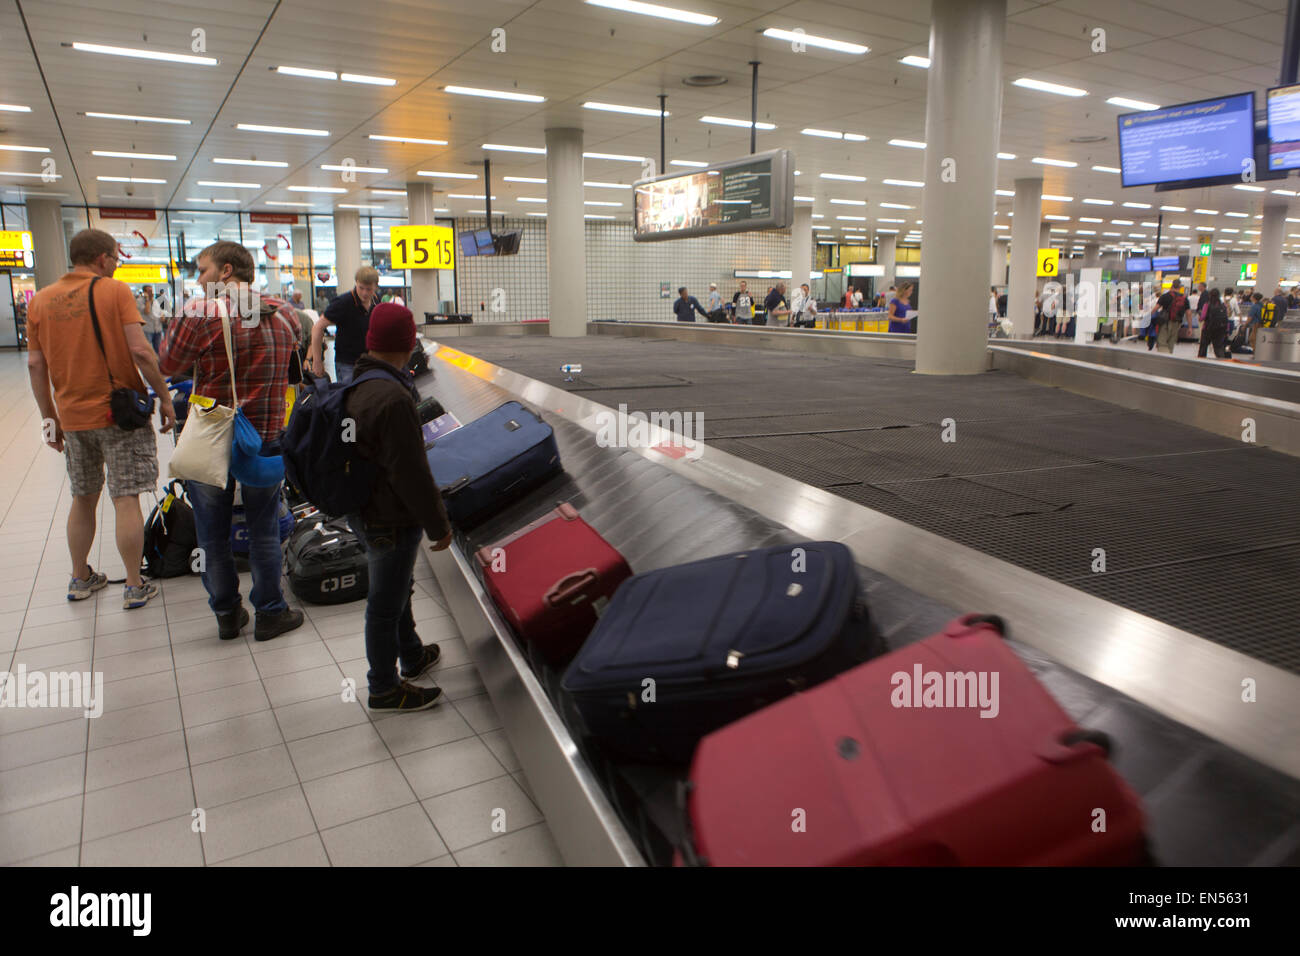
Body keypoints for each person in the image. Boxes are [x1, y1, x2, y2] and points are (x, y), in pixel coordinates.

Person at [159, 241, 304, 642]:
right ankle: (271, 612)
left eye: (202, 271)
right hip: (267, 438)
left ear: (225, 271)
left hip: (211, 436)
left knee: (212, 534)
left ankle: (227, 614)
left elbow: (167, 364)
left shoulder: (199, 312)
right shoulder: (286, 313)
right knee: (264, 530)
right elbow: (294, 368)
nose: (197, 279)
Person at [25, 228, 176, 609]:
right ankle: (133, 584)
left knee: (83, 498)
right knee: (125, 498)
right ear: (102, 258)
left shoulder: (40, 301)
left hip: (73, 418)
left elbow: (34, 363)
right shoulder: (114, 291)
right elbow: (141, 351)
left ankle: (80, 577)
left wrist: (49, 418)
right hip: (119, 414)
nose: (117, 265)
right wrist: (164, 397)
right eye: (115, 259)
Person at [340, 303, 454, 711]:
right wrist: (438, 525)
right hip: (387, 516)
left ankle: (412, 654)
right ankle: (384, 687)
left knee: (398, 588)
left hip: (363, 509)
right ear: (408, 343)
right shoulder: (392, 398)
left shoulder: (362, 379)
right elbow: (411, 474)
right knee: (385, 604)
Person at [309, 265, 379, 384]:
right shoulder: (343, 302)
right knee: (350, 399)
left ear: (375, 287)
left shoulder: (376, 301)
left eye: (369, 289)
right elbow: (317, 327)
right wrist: (317, 361)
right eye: (361, 288)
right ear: (356, 282)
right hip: (347, 364)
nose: (365, 293)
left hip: (369, 363)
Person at [1154, 279, 1189, 354]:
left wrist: (1149, 316)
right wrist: (1190, 327)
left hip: (1165, 322)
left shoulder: (1165, 296)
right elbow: (1188, 313)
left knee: (1162, 342)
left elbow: (1156, 308)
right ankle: (1169, 357)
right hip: (1177, 323)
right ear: (1180, 287)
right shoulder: (1184, 298)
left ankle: (1164, 359)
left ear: (1172, 286)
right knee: (1171, 342)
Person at [1197, 288, 1229, 359]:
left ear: (1210, 295)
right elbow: (1226, 318)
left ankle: (1201, 361)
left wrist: (1200, 317)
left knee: (1203, 346)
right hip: (1220, 330)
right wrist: (1227, 329)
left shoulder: (1207, 304)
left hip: (1208, 328)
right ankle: (1222, 361)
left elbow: (1203, 317)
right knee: (1218, 347)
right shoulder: (1223, 306)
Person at [137, 285, 163, 353]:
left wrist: (162, 316)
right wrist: (147, 299)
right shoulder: (139, 301)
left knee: (158, 349)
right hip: (147, 330)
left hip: (157, 329)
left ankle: (157, 363)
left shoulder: (156, 301)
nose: (151, 292)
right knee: (148, 350)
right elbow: (147, 311)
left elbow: (160, 313)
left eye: (152, 290)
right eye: (149, 291)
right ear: (144, 292)